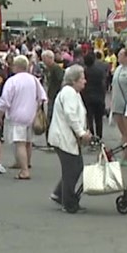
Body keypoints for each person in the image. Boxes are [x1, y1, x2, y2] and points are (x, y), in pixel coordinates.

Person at [48, 65, 92, 213]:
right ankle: (68, 202)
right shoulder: (69, 93)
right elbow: (71, 115)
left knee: (75, 167)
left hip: (65, 137)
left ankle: (60, 193)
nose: (85, 81)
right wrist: (81, 132)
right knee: (72, 169)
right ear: (74, 80)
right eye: (82, 78)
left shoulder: (72, 92)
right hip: (64, 137)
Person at [0, 55, 47, 180]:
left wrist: (0, 116)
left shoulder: (12, 81)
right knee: (28, 142)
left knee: (19, 143)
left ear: (16, 66)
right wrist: (36, 109)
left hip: (17, 115)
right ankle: (26, 162)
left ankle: (24, 170)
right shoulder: (34, 80)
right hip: (31, 115)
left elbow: (4, 101)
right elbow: (42, 97)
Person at [81, 52, 108, 147]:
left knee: (89, 118)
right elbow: (103, 83)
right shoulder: (100, 70)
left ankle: (91, 136)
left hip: (87, 97)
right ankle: (99, 137)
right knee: (98, 118)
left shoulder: (84, 71)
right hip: (99, 96)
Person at [41, 50, 64, 145]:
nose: (43, 61)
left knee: (52, 118)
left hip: (56, 96)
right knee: (50, 118)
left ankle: (52, 139)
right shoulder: (48, 69)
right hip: (51, 95)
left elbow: (61, 81)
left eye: (44, 59)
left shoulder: (56, 69)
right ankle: (50, 139)